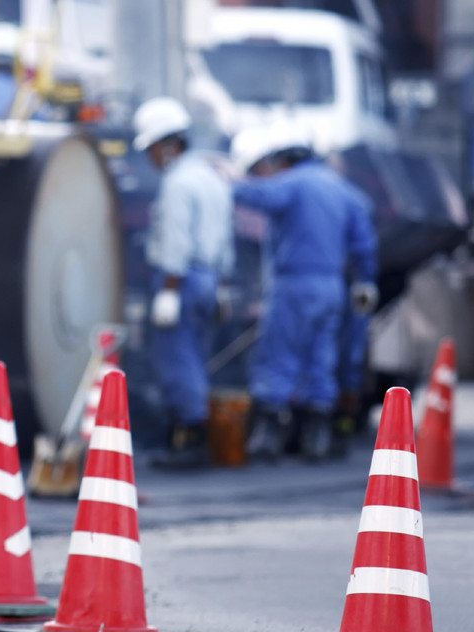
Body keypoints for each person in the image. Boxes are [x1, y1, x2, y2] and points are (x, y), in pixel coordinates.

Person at [231, 125, 377, 462]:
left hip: (294, 284)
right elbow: (365, 240)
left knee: (279, 355)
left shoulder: (293, 183)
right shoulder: (343, 190)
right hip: (332, 287)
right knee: (321, 358)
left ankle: (268, 437)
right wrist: (366, 280)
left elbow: (257, 196)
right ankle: (318, 436)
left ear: (285, 159)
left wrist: (226, 183)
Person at [131, 97, 236, 466]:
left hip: (182, 279)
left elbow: (176, 240)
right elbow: (225, 239)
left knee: (177, 359)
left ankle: (190, 439)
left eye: (151, 149)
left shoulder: (177, 183)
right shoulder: (212, 178)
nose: (150, 158)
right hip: (209, 278)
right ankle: (189, 435)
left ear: (168, 145)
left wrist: (169, 291)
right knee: (195, 356)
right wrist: (222, 286)